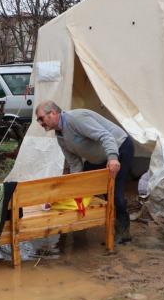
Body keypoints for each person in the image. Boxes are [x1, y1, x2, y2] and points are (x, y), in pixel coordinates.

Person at [35, 101, 133, 243]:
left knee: (115, 194)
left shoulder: (76, 119)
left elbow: (106, 136)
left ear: (53, 113)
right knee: (92, 186)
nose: (40, 123)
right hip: (98, 158)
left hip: (119, 148)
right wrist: (72, 188)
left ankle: (124, 232)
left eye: (41, 118)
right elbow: (75, 164)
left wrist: (112, 157)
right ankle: (81, 220)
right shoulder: (60, 135)